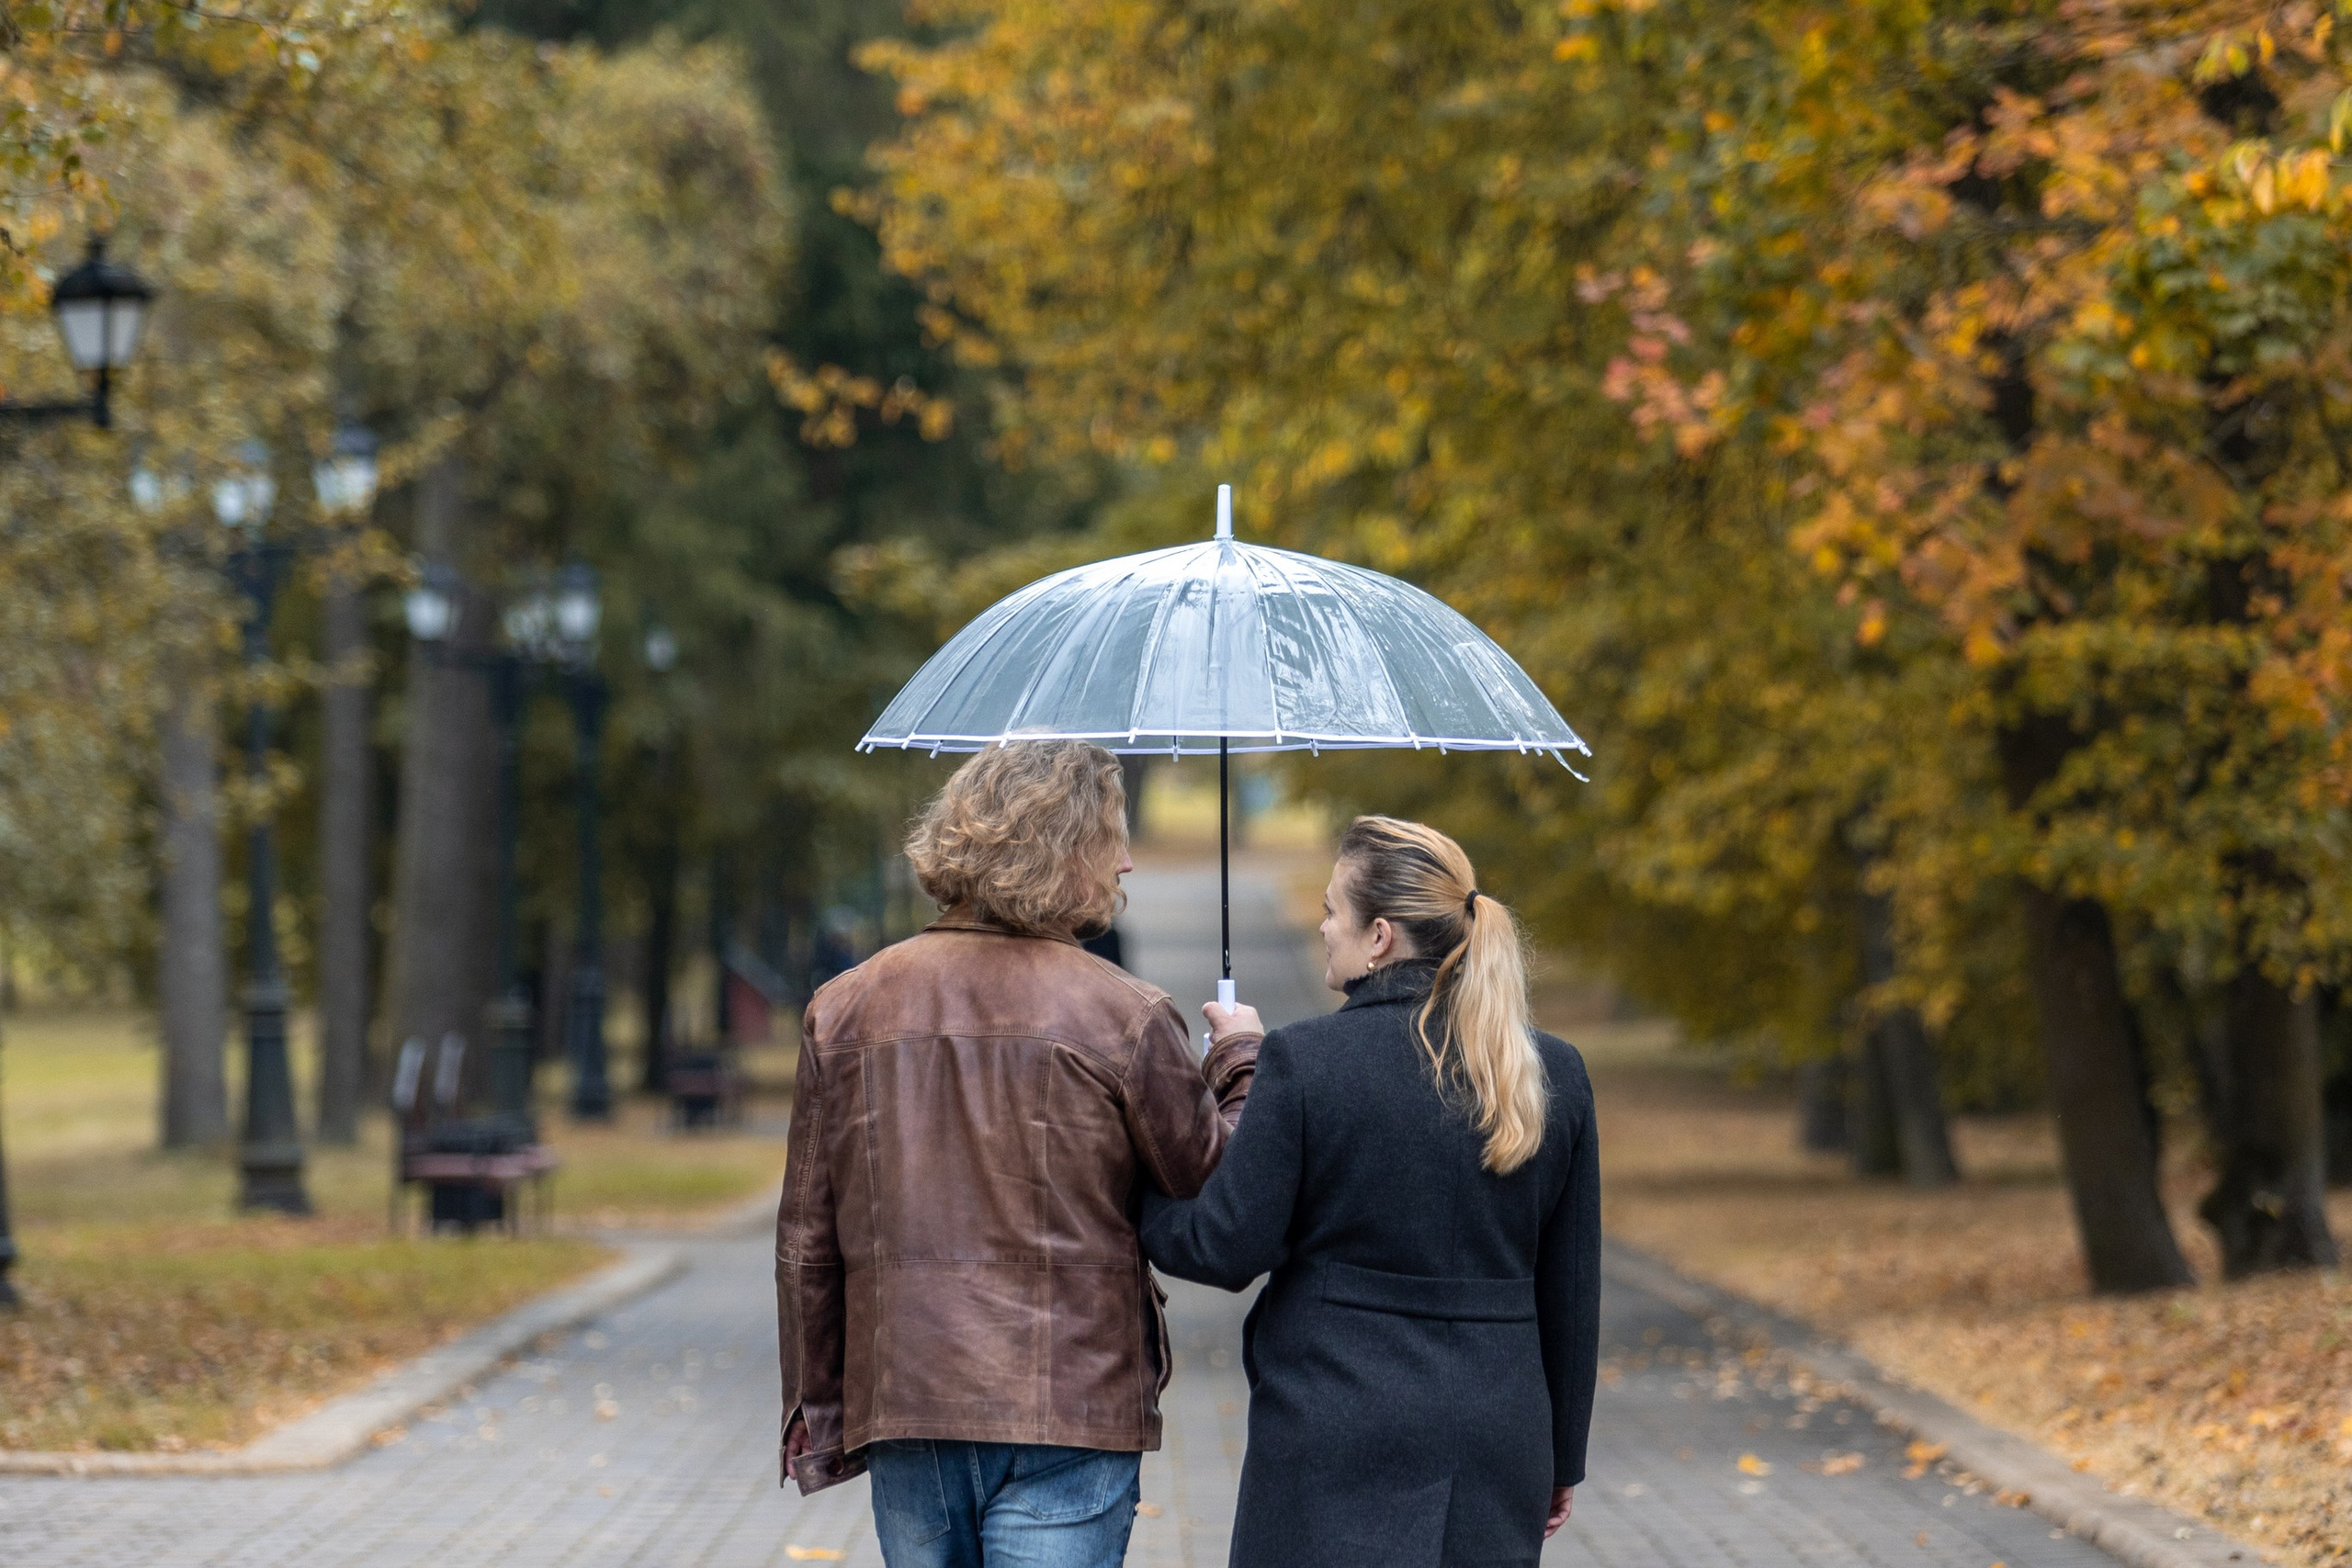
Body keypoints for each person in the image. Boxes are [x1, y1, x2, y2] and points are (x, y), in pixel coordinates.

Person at [776, 739, 1258, 1568]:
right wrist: (1241, 1060)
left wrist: (816, 1409)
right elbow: (1218, 1190)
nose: (1129, 862)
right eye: (1112, 836)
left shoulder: (844, 1008)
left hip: (910, 1397)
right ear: (1064, 847)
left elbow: (807, 1241)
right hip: (1072, 1400)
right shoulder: (1126, 1014)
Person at [1141, 815, 1600, 1568]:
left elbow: (1226, 1245)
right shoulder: (1553, 1069)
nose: (1324, 927)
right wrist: (1563, 1455)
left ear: (1380, 934)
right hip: (1498, 1434)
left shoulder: (1307, 1061)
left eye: (1331, 910)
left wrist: (1137, 1187)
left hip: (1335, 1425)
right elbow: (1571, 1288)